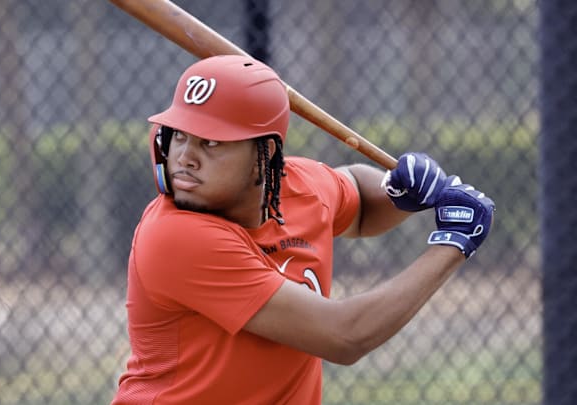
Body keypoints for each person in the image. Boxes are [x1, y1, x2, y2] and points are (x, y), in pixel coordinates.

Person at [111, 55, 494, 405]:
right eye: (180, 135)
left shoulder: (298, 187)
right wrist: (453, 243)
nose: (185, 157)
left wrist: (396, 193)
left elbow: (357, 196)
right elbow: (345, 337)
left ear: (267, 158)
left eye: (211, 141)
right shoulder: (176, 236)